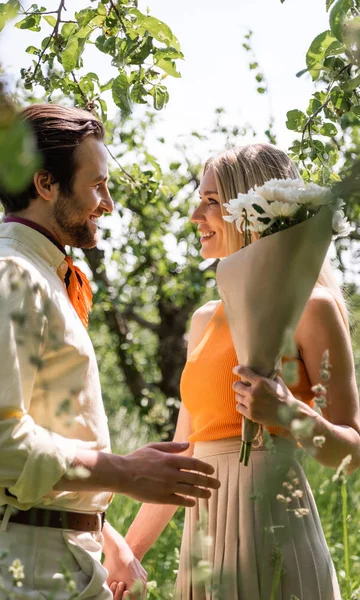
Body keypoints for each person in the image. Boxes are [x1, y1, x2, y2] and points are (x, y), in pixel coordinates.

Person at [0, 103, 221, 600]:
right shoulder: (7, 277)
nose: (109, 203)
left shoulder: (41, 278)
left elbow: (43, 433)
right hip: (19, 570)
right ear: (45, 184)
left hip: (51, 556)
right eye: (97, 184)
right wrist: (124, 472)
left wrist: (103, 530)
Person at [123, 144, 360, 599]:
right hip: (205, 540)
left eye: (211, 201)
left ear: (253, 210)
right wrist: (129, 555)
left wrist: (289, 414)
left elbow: (351, 453)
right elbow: (183, 453)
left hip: (277, 528)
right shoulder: (202, 320)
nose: (195, 215)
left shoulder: (314, 308)